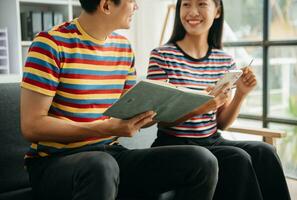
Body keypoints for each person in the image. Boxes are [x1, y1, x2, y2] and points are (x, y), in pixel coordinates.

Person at [20, 0, 221, 199]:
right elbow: (32, 126)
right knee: (101, 165)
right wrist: (105, 128)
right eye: (132, 1)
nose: (136, 6)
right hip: (54, 163)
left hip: (110, 154)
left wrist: (173, 103)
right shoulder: (50, 43)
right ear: (106, 5)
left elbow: (130, 113)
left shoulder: (123, 48)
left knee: (201, 161)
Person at [147, 0, 291, 200]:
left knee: (264, 151)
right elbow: (160, 119)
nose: (192, 12)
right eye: (186, 4)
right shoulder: (161, 56)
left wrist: (241, 93)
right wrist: (201, 106)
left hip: (212, 140)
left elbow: (222, 123)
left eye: (201, 4)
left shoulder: (224, 60)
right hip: (174, 144)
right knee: (238, 158)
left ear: (217, 11)